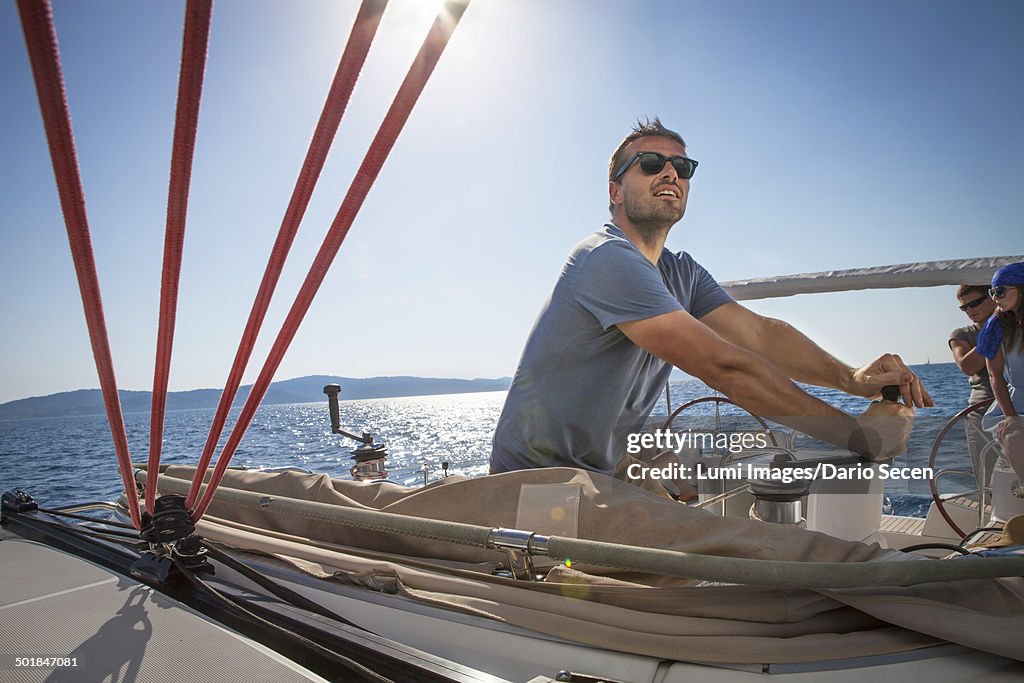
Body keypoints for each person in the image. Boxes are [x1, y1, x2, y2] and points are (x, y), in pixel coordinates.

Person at [489, 117, 931, 479]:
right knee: (745, 560)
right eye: (650, 163)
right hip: (537, 484)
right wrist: (857, 436)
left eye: (682, 168)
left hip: (596, 473)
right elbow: (726, 368)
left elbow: (760, 336)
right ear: (615, 191)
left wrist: (852, 379)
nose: (670, 173)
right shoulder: (606, 258)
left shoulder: (681, 271)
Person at [976, 262, 1024, 483]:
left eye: (1000, 291)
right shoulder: (995, 327)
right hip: (1014, 406)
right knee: (1015, 437)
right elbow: (995, 377)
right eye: (992, 292)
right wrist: (1011, 418)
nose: (995, 297)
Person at [948, 284, 998, 489]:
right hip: (982, 412)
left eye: (974, 303)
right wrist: (995, 328)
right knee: (988, 482)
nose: (969, 310)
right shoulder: (961, 334)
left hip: (1019, 407)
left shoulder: (1017, 327)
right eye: (964, 308)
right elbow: (968, 366)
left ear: (992, 297)